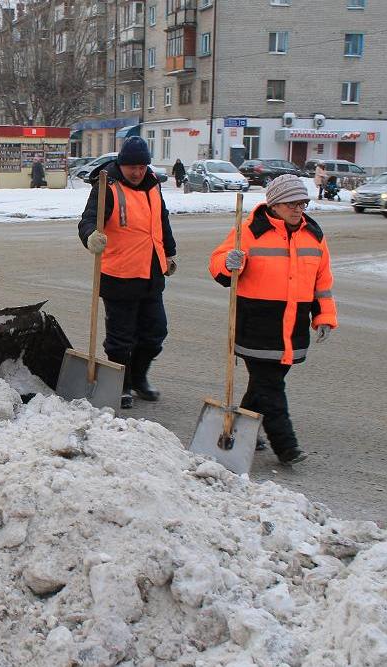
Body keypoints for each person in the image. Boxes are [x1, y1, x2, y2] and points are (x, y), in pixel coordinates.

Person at [208, 174, 338, 465]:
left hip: (292, 327)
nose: (298, 209)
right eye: (292, 203)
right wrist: (229, 262)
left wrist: (324, 315)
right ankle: (286, 446)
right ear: (275, 204)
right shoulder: (251, 230)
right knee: (271, 387)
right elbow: (218, 264)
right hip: (257, 324)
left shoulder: (313, 235)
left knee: (264, 386)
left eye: (302, 203)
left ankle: (240, 430)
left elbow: (322, 281)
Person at [77, 136, 177, 409]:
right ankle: (121, 383)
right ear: (122, 164)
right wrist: (90, 237)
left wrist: (169, 252)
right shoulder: (107, 184)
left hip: (151, 272)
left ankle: (138, 377)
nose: (137, 172)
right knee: (121, 339)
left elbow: (161, 219)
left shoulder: (153, 185)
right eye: (132, 166)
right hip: (119, 273)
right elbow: (87, 220)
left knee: (155, 333)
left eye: (142, 166)